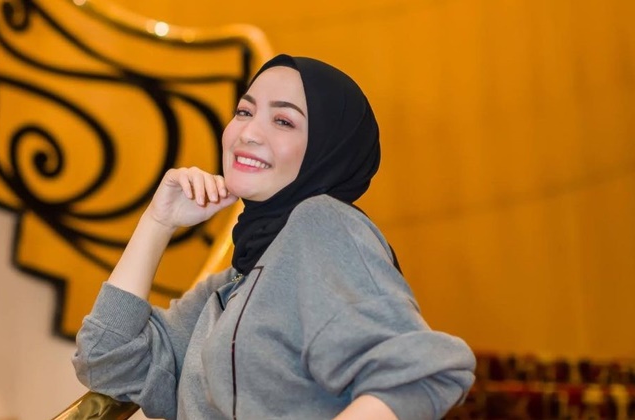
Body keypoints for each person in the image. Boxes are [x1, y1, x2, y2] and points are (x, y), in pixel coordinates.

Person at [72, 54, 476, 420]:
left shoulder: (323, 225)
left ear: (327, 149)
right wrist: (159, 221)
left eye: (283, 121)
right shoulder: (235, 283)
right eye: (244, 111)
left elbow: (420, 375)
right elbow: (107, 359)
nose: (248, 133)